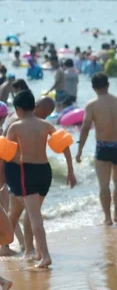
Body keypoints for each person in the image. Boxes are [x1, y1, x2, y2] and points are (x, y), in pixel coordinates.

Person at [4, 90, 77, 268]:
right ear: (34, 106)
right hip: (45, 171)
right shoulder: (46, 125)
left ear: (18, 109)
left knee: (34, 216)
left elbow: (5, 153)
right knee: (33, 213)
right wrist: (70, 171)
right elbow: (64, 144)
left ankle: (44, 255)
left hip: (26, 172)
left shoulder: (15, 127)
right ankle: (35, 252)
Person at [76, 73, 117, 226]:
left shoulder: (92, 105)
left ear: (94, 88)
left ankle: (107, 217)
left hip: (103, 146)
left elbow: (85, 128)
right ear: (108, 85)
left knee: (104, 185)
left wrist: (79, 150)